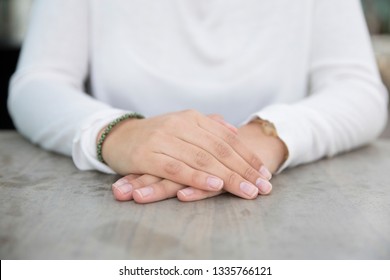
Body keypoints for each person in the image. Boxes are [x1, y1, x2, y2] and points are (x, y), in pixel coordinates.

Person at [8, 0, 388, 204]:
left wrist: (260, 140)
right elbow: (38, 82)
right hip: (116, 193)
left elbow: (359, 88)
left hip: (268, 195)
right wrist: (118, 133)